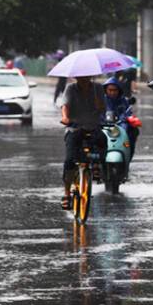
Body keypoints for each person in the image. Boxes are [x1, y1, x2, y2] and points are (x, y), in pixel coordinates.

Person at [60, 76, 107, 209]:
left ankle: (97, 167)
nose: (84, 79)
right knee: (70, 161)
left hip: (94, 127)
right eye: (81, 77)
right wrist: (65, 117)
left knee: (103, 142)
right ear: (77, 77)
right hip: (74, 128)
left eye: (86, 76)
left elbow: (104, 108)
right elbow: (65, 105)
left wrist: (100, 105)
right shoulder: (71, 88)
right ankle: (67, 193)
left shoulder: (98, 88)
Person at [103, 77, 139, 157]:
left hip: (120, 125)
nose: (112, 92)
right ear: (106, 90)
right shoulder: (101, 100)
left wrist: (125, 118)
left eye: (115, 90)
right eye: (110, 90)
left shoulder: (123, 101)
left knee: (134, 131)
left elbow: (128, 112)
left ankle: (128, 154)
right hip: (104, 126)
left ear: (119, 90)